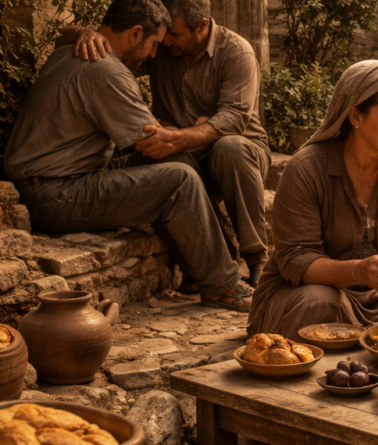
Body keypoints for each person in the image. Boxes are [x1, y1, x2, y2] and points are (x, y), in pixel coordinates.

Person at [3, 0, 252, 311]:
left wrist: (168, 136)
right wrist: (174, 130)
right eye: (154, 44)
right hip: (55, 196)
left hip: (53, 182)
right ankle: (222, 286)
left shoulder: (71, 51)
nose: (153, 54)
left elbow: (150, 144)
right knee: (179, 178)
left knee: (172, 162)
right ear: (136, 32)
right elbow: (152, 140)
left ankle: (201, 269)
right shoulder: (106, 70)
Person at [61, 0, 272, 288]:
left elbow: (233, 119)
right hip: (180, 147)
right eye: (163, 36)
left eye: (175, 35)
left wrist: (178, 137)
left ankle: (257, 258)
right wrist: (83, 33)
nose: (166, 42)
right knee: (158, 158)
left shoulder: (237, 52)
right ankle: (205, 261)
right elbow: (119, 48)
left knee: (229, 148)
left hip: (240, 153)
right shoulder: (164, 48)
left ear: (202, 26)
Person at [247, 61, 378, 341]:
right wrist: (358, 271)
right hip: (315, 295)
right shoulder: (306, 168)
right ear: (355, 116)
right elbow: (296, 260)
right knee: (319, 302)